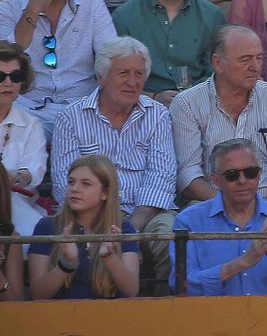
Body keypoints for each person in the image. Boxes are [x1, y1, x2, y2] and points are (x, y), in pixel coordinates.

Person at [48, 36, 178, 283]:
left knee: (171, 237)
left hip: (147, 214)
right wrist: (106, 223)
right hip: (90, 213)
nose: (132, 82)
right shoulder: (71, 118)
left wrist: (130, 229)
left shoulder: (158, 115)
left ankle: (168, 308)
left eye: (139, 74)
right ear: (102, 77)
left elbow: (161, 178)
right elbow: (64, 183)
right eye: (123, 73)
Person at [169, 25, 267, 226]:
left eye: (259, 58)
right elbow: (188, 174)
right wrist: (227, 209)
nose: (255, 66)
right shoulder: (187, 103)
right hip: (212, 205)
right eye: (245, 59)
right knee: (191, 214)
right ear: (218, 63)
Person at [0, 0, 115, 126]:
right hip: (27, 110)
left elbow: (111, 60)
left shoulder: (93, 5)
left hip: (84, 109)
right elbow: (6, 61)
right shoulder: (5, 10)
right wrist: (33, 8)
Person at [173, 137, 267, 296]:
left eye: (250, 173)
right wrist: (242, 262)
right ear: (216, 181)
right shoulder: (189, 221)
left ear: (259, 174)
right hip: (212, 317)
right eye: (232, 175)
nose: (242, 181)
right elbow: (182, 287)